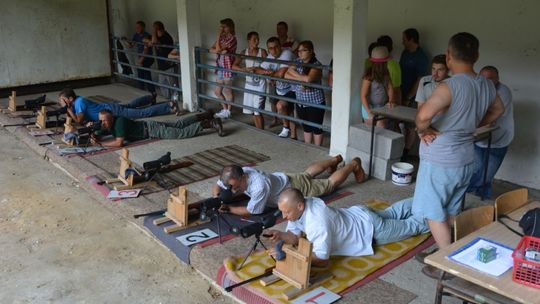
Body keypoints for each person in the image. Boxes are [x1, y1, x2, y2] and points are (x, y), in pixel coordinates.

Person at [412, 33, 504, 278]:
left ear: (449, 56)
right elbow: (498, 109)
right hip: (465, 157)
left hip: (441, 159)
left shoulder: (449, 86)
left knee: (433, 213)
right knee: (451, 211)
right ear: (476, 57)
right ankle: (449, 250)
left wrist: (423, 131)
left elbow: (422, 116)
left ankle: (449, 262)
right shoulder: (485, 84)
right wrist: (472, 125)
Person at [266, 188, 429, 267]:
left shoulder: (316, 223)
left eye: (286, 213)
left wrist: (289, 256)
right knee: (393, 212)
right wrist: (281, 235)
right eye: (282, 212)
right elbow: (294, 236)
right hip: (361, 213)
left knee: (413, 226)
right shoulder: (301, 205)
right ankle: (426, 196)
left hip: (371, 230)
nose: (284, 217)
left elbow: (323, 260)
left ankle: (439, 215)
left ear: (300, 206)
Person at [213, 155, 365, 216]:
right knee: (306, 174)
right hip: (285, 178)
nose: (232, 190)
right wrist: (216, 197)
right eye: (229, 187)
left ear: (243, 177)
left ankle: (353, 165)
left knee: (329, 184)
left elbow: (252, 211)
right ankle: (334, 160)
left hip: (293, 190)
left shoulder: (259, 186)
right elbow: (218, 185)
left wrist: (229, 208)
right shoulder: (235, 173)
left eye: (234, 186)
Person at [467, 66, 514, 198]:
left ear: (497, 79)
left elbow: (488, 117)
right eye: (482, 78)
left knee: (485, 176)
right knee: (476, 171)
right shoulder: (477, 88)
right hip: (479, 139)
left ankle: (462, 192)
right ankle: (482, 201)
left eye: (490, 79)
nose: (485, 81)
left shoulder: (503, 91)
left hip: (498, 141)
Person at [90, 109, 223, 147]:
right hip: (149, 125)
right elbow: (99, 130)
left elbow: (119, 143)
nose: (103, 124)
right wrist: (93, 131)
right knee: (178, 124)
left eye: (105, 121)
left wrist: (101, 143)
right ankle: (205, 115)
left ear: (111, 118)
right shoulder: (106, 123)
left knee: (181, 133)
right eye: (101, 121)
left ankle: (210, 124)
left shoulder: (119, 123)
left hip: (152, 130)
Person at [285, 41, 326, 146]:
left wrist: (299, 77)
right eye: (299, 51)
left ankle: (317, 149)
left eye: (304, 50)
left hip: (315, 102)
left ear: (311, 51)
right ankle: (308, 147)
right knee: (306, 127)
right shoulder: (297, 61)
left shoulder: (316, 64)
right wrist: (302, 79)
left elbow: (309, 79)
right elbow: (286, 75)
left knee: (316, 128)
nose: (300, 53)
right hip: (301, 101)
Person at [255, 37, 297, 139]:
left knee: (281, 106)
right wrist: (266, 72)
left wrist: (270, 75)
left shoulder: (286, 53)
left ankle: (286, 128)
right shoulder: (270, 55)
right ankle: (293, 135)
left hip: (293, 88)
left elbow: (281, 74)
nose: (274, 50)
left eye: (276, 47)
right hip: (281, 89)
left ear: (280, 46)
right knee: (288, 111)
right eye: (271, 48)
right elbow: (258, 69)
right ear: (268, 49)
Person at [58, 88, 175, 123]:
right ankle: (150, 97)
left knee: (141, 113)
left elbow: (78, 120)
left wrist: (67, 108)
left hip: (111, 111)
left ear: (70, 99)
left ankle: (169, 106)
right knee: (130, 106)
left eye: (63, 100)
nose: (61, 103)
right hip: (110, 108)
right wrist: (67, 108)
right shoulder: (77, 101)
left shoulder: (79, 103)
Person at [400, 28, 429, 161]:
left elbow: (420, 80)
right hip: (401, 92)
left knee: (411, 125)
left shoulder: (421, 57)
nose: (402, 42)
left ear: (411, 39)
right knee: (399, 122)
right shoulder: (405, 53)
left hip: (414, 97)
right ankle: (399, 148)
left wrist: (408, 97)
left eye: (404, 39)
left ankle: (405, 153)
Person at [232, 32, 267, 129]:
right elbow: (234, 66)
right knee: (252, 110)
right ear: (248, 41)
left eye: (258, 39)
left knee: (258, 111)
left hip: (260, 83)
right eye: (254, 39)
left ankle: (262, 132)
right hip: (249, 83)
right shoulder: (244, 52)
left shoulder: (262, 52)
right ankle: (259, 130)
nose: (257, 41)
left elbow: (268, 66)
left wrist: (259, 70)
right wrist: (244, 69)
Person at [361, 45, 395, 128]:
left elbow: (390, 88)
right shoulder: (369, 75)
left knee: (381, 127)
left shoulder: (386, 73)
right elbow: (363, 95)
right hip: (369, 107)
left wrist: (390, 101)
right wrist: (369, 111)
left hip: (382, 107)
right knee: (371, 131)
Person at [210, 18, 237, 119]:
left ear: (230, 27)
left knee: (228, 91)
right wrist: (219, 47)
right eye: (221, 27)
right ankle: (225, 109)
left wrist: (218, 48)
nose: (221, 29)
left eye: (224, 27)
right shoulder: (221, 38)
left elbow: (216, 50)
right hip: (220, 67)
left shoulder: (232, 38)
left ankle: (228, 111)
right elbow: (212, 49)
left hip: (228, 68)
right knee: (217, 91)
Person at [151, 21, 177, 100]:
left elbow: (154, 41)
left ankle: (175, 101)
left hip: (169, 65)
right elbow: (152, 41)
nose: (155, 33)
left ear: (160, 30)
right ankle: (168, 100)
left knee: (173, 85)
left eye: (156, 30)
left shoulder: (166, 37)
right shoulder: (159, 36)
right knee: (162, 83)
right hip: (162, 65)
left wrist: (154, 31)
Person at [130, 21, 155, 93]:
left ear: (143, 27)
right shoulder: (136, 35)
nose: (137, 29)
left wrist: (141, 60)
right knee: (140, 74)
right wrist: (125, 40)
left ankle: (151, 92)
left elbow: (146, 49)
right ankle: (142, 91)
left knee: (146, 75)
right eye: (136, 27)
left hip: (147, 58)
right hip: (141, 57)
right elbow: (131, 45)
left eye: (138, 27)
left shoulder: (146, 35)